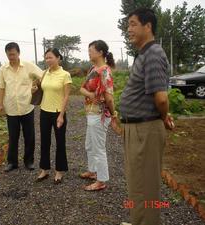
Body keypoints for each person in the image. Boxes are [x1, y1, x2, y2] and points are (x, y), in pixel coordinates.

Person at [119, 8, 174, 225]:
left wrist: (164, 115)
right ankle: (138, 221)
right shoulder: (144, 53)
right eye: (128, 24)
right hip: (138, 129)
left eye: (133, 24)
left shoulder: (153, 53)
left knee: (146, 187)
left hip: (145, 129)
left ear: (147, 26)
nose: (128, 29)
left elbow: (161, 98)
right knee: (137, 184)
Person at [0, 42, 43, 172]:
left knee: (29, 136)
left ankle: (29, 161)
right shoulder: (3, 69)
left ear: (18, 53)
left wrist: (36, 84)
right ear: (6, 54)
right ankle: (12, 162)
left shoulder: (28, 66)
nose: (11, 57)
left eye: (13, 54)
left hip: (27, 106)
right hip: (11, 108)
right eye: (9, 54)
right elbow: (0, 87)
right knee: (13, 136)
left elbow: (43, 75)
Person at [79, 40, 117, 191]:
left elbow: (109, 97)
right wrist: (89, 94)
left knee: (99, 148)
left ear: (100, 52)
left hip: (99, 114)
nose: (89, 52)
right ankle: (93, 171)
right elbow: (82, 89)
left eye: (91, 50)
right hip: (91, 113)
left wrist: (113, 114)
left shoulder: (104, 71)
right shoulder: (93, 68)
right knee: (89, 144)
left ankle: (101, 180)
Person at [36, 48, 72, 184]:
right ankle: (44, 170)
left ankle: (59, 171)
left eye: (50, 57)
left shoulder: (65, 75)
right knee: (44, 141)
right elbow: (41, 89)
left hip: (58, 113)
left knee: (60, 142)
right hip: (44, 111)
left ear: (58, 58)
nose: (48, 60)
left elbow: (66, 96)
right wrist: (34, 88)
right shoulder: (45, 73)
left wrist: (61, 115)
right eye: (46, 58)